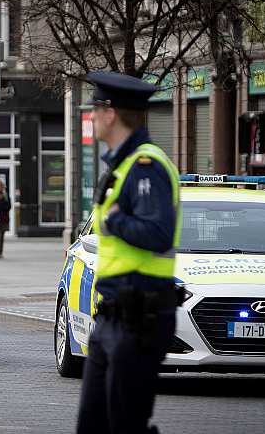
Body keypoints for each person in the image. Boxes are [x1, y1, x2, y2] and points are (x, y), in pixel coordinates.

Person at [76, 71, 183, 434]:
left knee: (124, 426)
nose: (91, 115)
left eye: (95, 107)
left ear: (111, 113)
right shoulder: (122, 166)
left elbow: (158, 232)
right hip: (112, 316)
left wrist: (116, 222)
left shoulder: (145, 167)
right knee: (93, 425)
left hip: (139, 318)